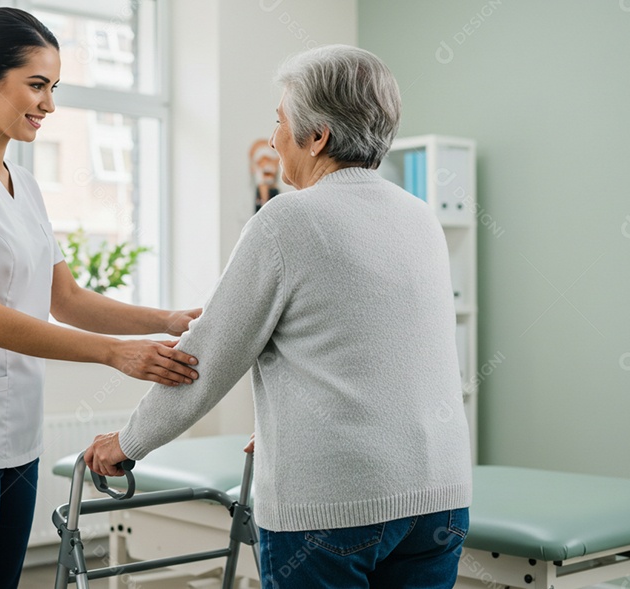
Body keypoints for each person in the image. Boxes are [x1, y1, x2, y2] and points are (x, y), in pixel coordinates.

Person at [86, 44, 473, 588]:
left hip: (334, 507)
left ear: (317, 137)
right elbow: (381, 351)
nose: (272, 139)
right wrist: (292, 424)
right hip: (440, 496)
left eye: (279, 122)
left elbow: (203, 361)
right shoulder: (419, 216)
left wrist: (126, 445)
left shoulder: (286, 220)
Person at [0, 8, 201, 589]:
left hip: (16, 434)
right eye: (37, 85)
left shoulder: (23, 182)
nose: (49, 105)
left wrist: (168, 318)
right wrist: (115, 354)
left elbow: (67, 298)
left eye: (53, 88)